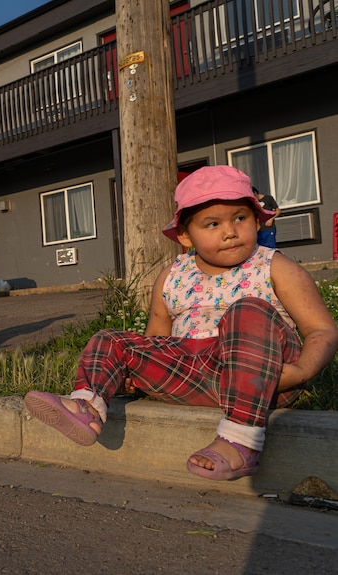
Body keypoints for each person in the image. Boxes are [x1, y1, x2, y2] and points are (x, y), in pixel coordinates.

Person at [24, 165, 338, 481]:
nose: (230, 231)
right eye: (212, 223)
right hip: (192, 374)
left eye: (240, 218)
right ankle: (86, 406)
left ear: (257, 220)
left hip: (263, 376)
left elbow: (321, 329)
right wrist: (132, 371)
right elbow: (157, 341)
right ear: (186, 235)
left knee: (248, 311)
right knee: (111, 340)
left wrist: (303, 371)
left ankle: (241, 441)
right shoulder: (173, 275)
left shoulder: (273, 266)